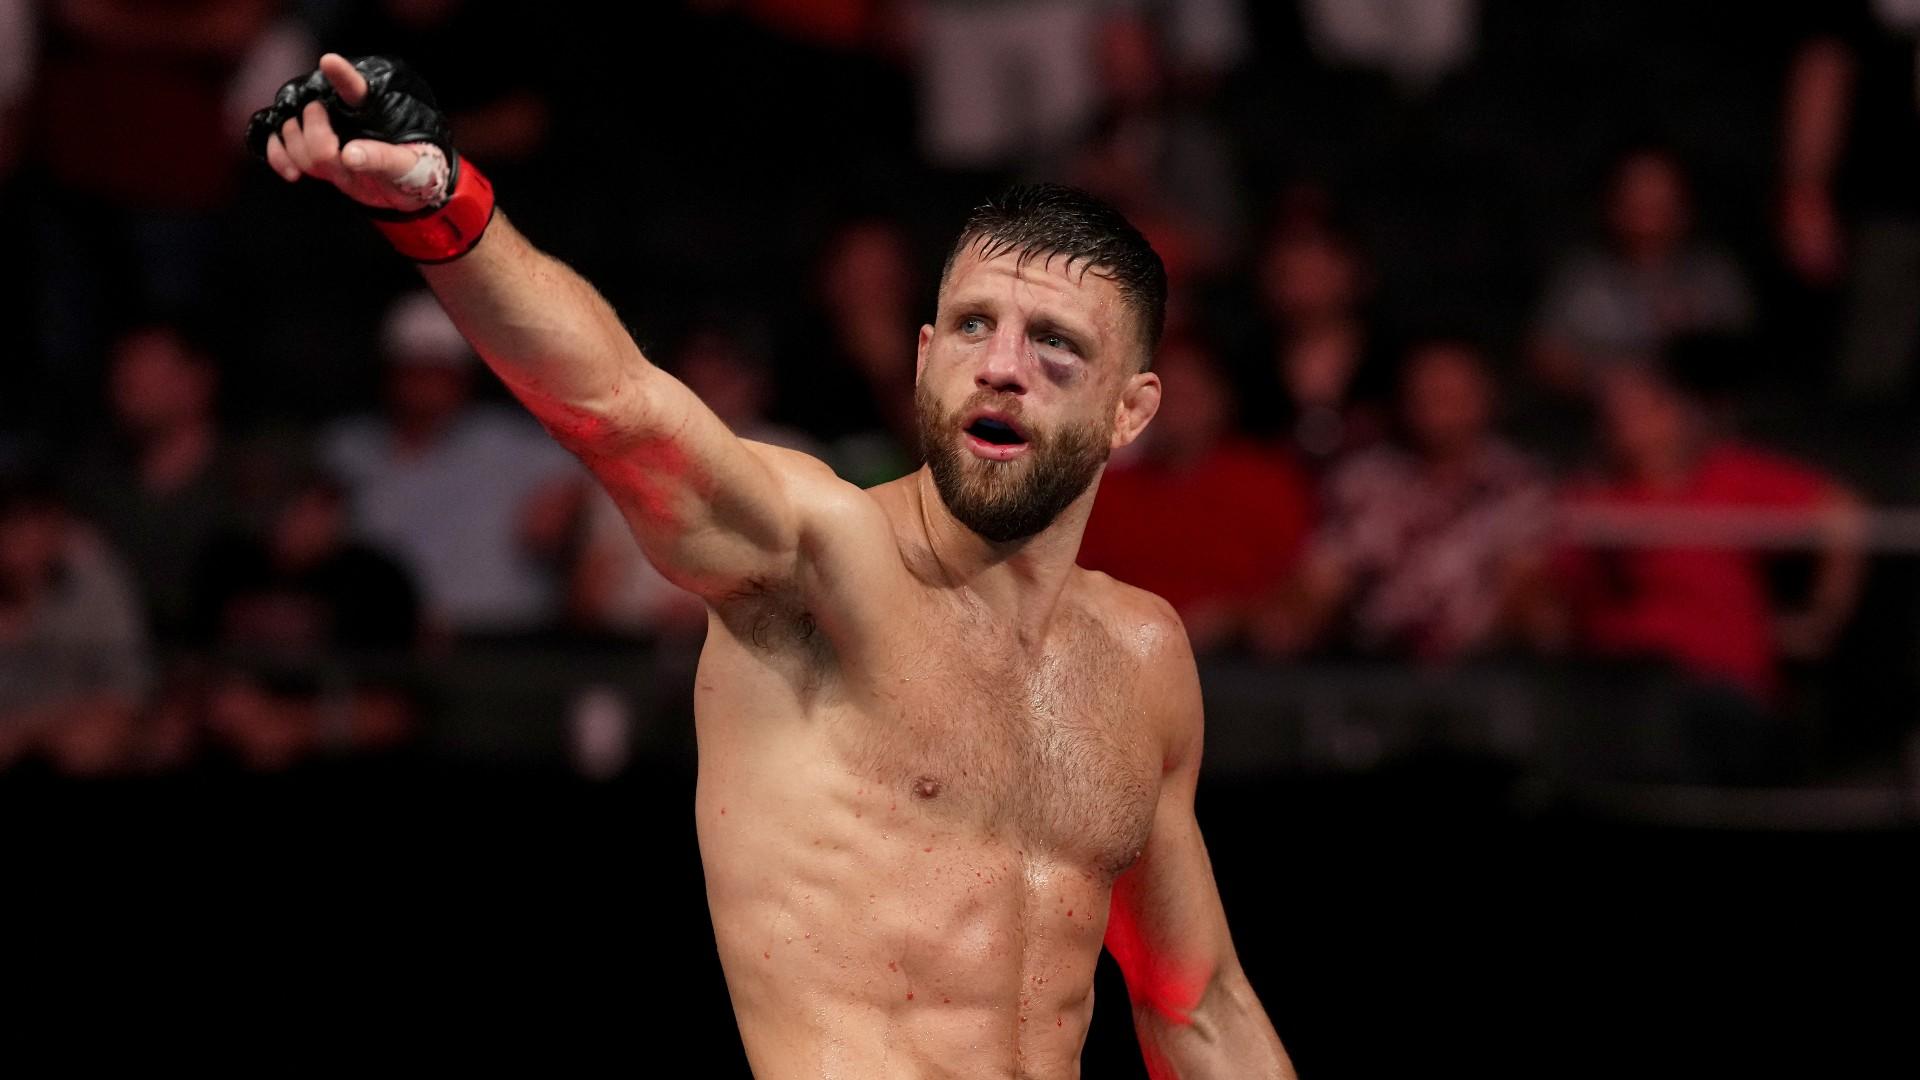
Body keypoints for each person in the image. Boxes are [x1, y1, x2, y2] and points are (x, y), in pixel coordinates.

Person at [253, 54, 1292, 1078]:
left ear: (1131, 410)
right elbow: (618, 404)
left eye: (1055, 343)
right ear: (923, 356)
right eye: (973, 325)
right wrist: (442, 203)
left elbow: (1197, 1006)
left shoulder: (1140, 653)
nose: (1002, 366)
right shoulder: (820, 559)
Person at [1263, 338, 1552, 663]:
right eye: (1426, 389)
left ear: (1486, 397)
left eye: (1452, 391)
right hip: (1375, 665)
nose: (1438, 401)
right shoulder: (1363, 482)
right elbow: (1322, 580)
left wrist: (1534, 623)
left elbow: (1524, 585)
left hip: (1481, 668)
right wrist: (1293, 616)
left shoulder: (1516, 484)